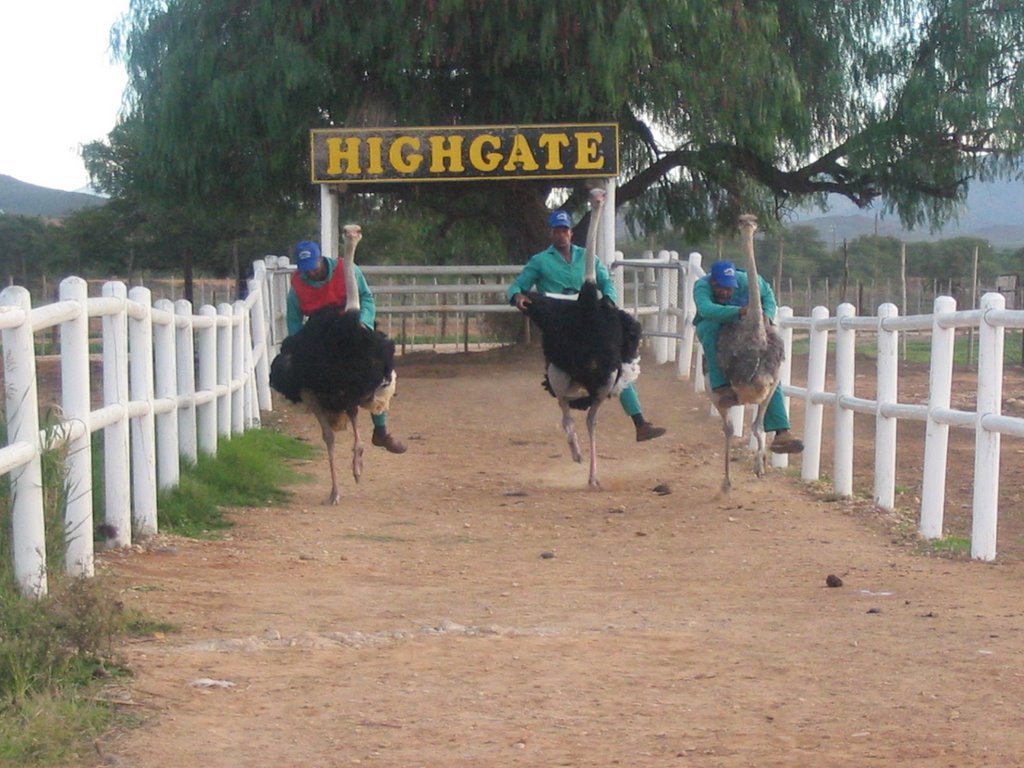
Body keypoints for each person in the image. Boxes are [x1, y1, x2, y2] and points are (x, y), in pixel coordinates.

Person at [506, 209, 667, 442]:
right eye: (556, 231)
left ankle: (639, 422)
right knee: (563, 362)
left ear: (570, 233)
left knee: (615, 360)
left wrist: (609, 299)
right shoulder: (540, 261)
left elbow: (605, 281)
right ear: (551, 234)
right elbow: (517, 286)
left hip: (588, 312)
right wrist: (517, 297)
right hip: (560, 317)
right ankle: (570, 404)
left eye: (564, 231)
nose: (561, 235)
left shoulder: (587, 256)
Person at [286, 239, 407, 453]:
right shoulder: (298, 285)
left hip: (352, 328)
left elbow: (366, 297)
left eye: (313, 267)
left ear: (321, 259)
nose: (311, 273)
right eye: (306, 270)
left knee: (380, 370)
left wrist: (365, 324)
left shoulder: (347, 270)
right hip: (321, 335)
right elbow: (294, 320)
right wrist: (299, 344)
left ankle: (381, 431)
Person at [693, 260, 803, 453]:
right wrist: (739, 311)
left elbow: (767, 295)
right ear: (713, 284)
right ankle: (722, 386)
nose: (727, 292)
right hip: (716, 321)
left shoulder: (747, 280)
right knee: (709, 329)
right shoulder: (702, 285)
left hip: (747, 322)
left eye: (730, 288)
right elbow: (705, 309)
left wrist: (767, 315)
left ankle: (781, 431)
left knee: (768, 359)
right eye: (722, 288)